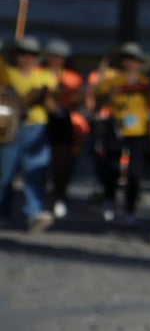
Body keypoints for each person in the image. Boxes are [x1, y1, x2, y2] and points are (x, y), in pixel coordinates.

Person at [0, 36, 59, 232]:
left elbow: (53, 108)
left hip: (36, 128)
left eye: (32, 54)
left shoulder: (45, 76)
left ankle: (34, 212)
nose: (27, 58)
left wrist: (44, 96)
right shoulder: (6, 74)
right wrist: (29, 98)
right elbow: (13, 103)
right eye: (23, 53)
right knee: (5, 174)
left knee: (36, 172)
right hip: (8, 128)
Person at [91, 43, 150, 225]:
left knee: (135, 171)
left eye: (134, 60)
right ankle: (109, 200)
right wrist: (111, 96)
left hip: (139, 129)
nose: (131, 63)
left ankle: (130, 208)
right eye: (128, 59)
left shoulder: (146, 82)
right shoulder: (112, 81)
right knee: (112, 167)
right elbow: (98, 103)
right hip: (117, 127)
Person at [41, 37, 84, 218]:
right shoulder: (38, 72)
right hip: (41, 119)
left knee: (62, 163)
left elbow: (78, 100)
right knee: (40, 162)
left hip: (64, 120)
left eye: (60, 57)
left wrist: (73, 99)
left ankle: (59, 196)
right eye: (53, 56)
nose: (56, 60)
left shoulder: (73, 78)